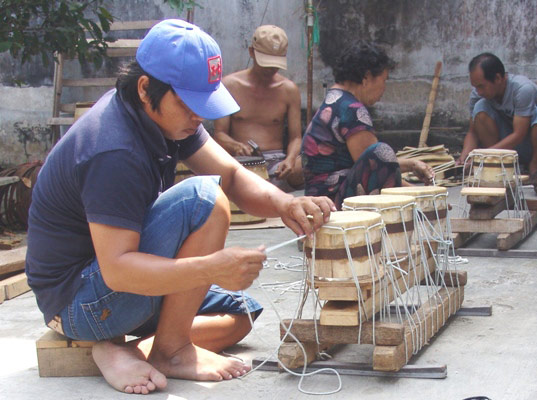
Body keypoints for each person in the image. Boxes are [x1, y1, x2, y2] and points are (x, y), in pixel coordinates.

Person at [25, 19, 334, 395]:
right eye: (190, 103)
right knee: (203, 199)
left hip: (113, 288)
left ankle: (123, 350)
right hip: (78, 301)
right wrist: (210, 268)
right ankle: (169, 350)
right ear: (145, 88)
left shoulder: (164, 119)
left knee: (239, 315)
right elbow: (119, 271)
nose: (198, 116)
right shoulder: (113, 149)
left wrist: (286, 203)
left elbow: (232, 175)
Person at [301, 41, 434, 209]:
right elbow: (378, 163)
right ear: (367, 77)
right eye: (384, 80)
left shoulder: (334, 100)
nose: (384, 88)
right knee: (381, 151)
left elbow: (369, 161)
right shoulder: (352, 110)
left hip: (320, 200)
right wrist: (426, 198)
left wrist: (411, 164)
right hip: (333, 203)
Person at [213, 25, 303, 192]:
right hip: (241, 162)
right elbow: (219, 134)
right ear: (251, 52)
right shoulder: (229, 85)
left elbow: (296, 137)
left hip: (277, 164)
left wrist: (290, 159)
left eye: (275, 65)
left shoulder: (289, 90)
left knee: (306, 166)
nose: (270, 69)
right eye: (266, 64)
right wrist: (235, 146)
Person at [457, 52, 537, 174]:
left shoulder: (522, 89)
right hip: (504, 148)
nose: (478, 91)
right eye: (476, 87)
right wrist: (465, 157)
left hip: (531, 144)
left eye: (481, 86)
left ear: (498, 78)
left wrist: (483, 155)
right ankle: (499, 165)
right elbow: (472, 132)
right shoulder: (478, 94)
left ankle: (535, 165)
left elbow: (519, 134)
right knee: (480, 107)